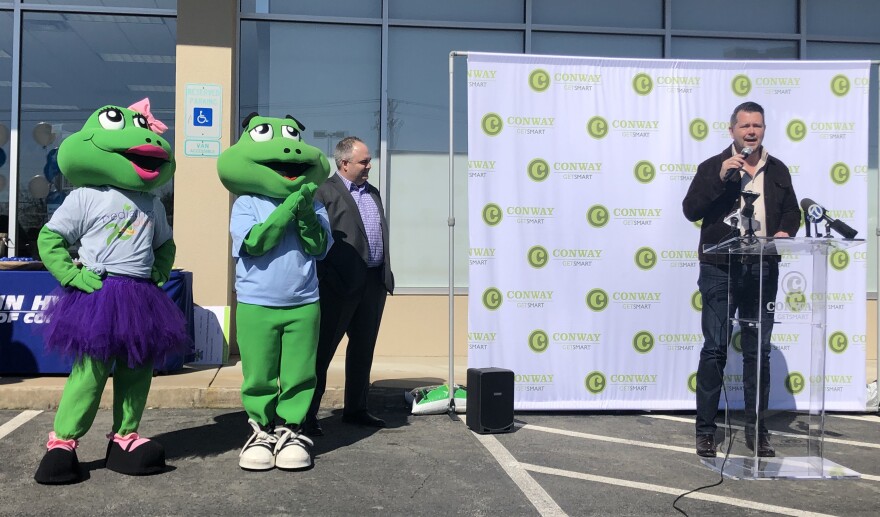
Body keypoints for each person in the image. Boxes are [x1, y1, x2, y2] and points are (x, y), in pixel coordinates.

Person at [682, 101, 800, 459]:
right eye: (745, 126)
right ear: (731, 130)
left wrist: (784, 230)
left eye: (758, 126)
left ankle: (757, 432)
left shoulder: (777, 169)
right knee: (715, 348)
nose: (751, 132)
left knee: (758, 352)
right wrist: (720, 179)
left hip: (762, 267)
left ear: (764, 130)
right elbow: (691, 211)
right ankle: (705, 432)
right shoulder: (713, 168)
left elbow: (792, 209)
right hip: (720, 267)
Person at [217, 113, 333, 471]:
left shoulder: (313, 202)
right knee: (259, 373)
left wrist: (307, 215)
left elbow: (320, 248)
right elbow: (254, 242)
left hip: (304, 301)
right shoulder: (246, 202)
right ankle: (261, 430)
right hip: (256, 301)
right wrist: (286, 210)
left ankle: (292, 430)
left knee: (300, 373)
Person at [304, 136, 394, 435]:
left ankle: (356, 409)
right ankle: (306, 416)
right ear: (343, 163)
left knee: (363, 350)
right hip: (337, 287)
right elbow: (316, 241)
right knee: (322, 352)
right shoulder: (324, 192)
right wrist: (326, 278)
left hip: (372, 283)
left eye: (368, 160)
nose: (370, 165)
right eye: (364, 161)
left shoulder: (373, 193)